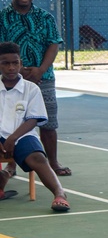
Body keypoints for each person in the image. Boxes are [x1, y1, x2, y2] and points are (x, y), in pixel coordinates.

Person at [1, 0, 70, 177]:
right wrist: (18, 70)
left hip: (44, 77)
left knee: (48, 122)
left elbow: (53, 44)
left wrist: (40, 70)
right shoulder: (2, 18)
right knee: (10, 123)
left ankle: (53, 163)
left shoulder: (45, 17)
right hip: (11, 79)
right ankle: (11, 165)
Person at [0, 42, 71, 212]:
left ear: (21, 64)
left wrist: (12, 138)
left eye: (15, 63)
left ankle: (59, 193)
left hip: (22, 135)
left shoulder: (31, 89)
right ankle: (3, 179)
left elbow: (32, 120)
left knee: (38, 159)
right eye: (5, 63)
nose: (11, 67)